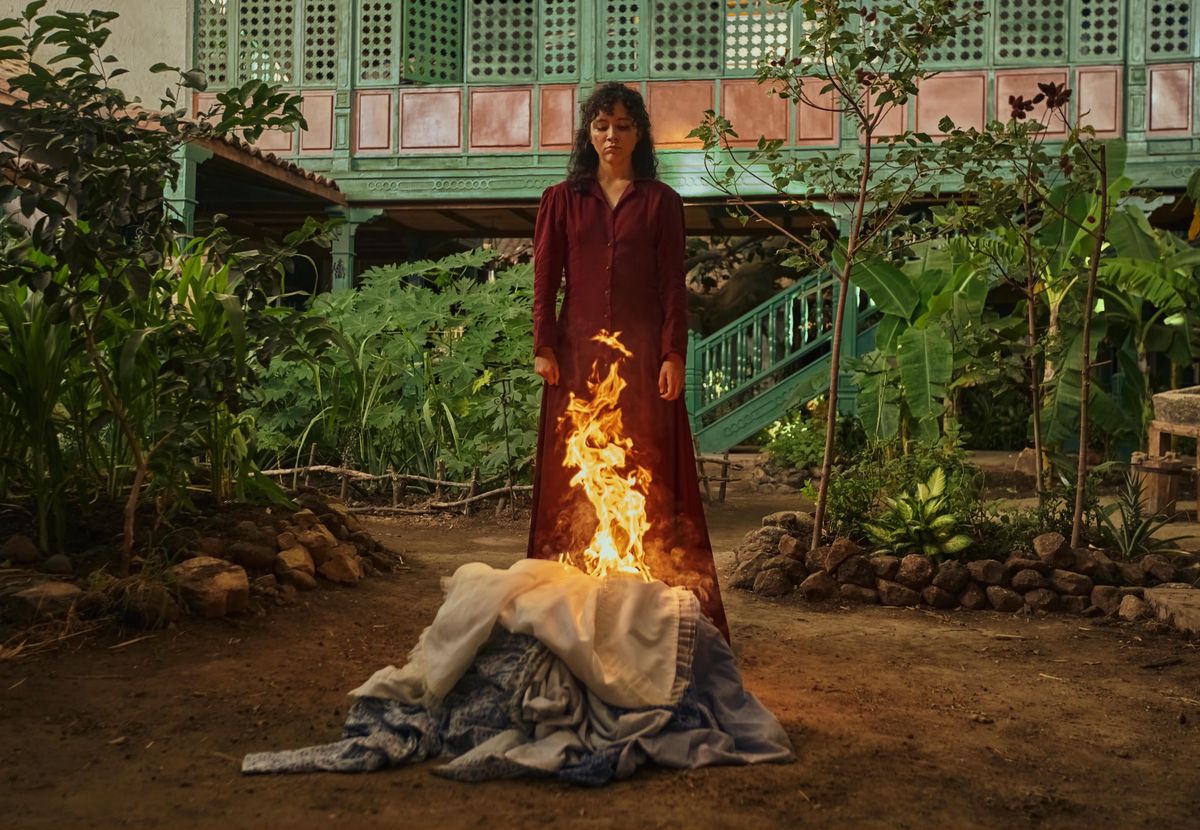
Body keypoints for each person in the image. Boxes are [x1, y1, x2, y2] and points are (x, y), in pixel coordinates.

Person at [526, 82, 730, 642]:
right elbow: (545, 281)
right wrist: (544, 346)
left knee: (648, 468)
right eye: (601, 126)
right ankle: (569, 602)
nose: (611, 136)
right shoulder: (560, 200)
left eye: (622, 125)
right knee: (575, 474)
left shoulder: (661, 202)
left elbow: (672, 287)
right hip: (576, 358)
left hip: (641, 362)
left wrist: (673, 353)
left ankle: (654, 597)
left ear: (639, 134)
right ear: (588, 134)